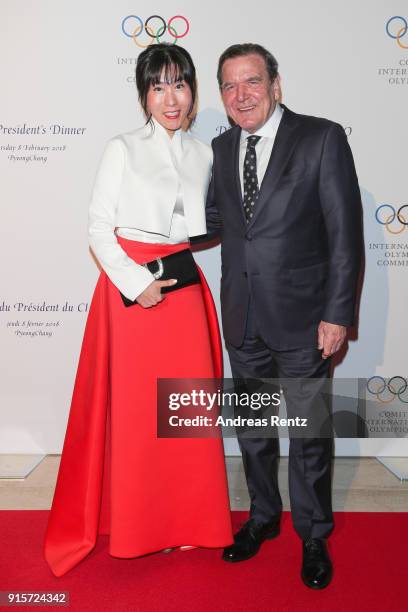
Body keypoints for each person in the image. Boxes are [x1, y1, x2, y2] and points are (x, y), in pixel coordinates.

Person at [44, 43, 233, 577]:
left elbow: (212, 225)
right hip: (132, 295)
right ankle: (142, 526)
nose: (169, 98)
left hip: (186, 294)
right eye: (157, 86)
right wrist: (134, 284)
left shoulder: (208, 153)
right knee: (138, 417)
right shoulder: (121, 148)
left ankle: (192, 523)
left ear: (193, 92)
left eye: (179, 84)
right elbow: (100, 230)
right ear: (143, 95)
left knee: (188, 413)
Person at [205, 43, 363, 589]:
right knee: (252, 430)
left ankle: (314, 535)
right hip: (242, 317)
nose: (241, 95)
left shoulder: (321, 137)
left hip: (305, 319)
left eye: (251, 81)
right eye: (229, 86)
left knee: (309, 434)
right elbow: (211, 221)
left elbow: (345, 234)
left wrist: (337, 313)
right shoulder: (221, 148)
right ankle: (263, 518)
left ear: (276, 84)